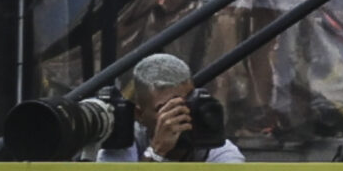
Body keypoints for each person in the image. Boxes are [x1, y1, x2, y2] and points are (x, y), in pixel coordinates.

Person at [96, 53, 245, 164]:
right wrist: (157, 152)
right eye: (165, 108)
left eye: (185, 104)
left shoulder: (215, 147)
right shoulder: (123, 142)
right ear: (139, 115)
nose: (178, 115)